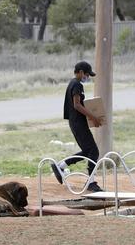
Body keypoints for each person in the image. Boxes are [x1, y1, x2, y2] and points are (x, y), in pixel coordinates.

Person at [50, 61, 104, 192]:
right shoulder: (77, 85)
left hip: (76, 123)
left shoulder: (72, 83)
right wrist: (94, 117)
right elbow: (77, 105)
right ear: (80, 72)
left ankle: (61, 166)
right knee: (94, 151)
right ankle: (91, 182)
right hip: (78, 123)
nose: (87, 77)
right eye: (86, 74)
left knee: (87, 151)